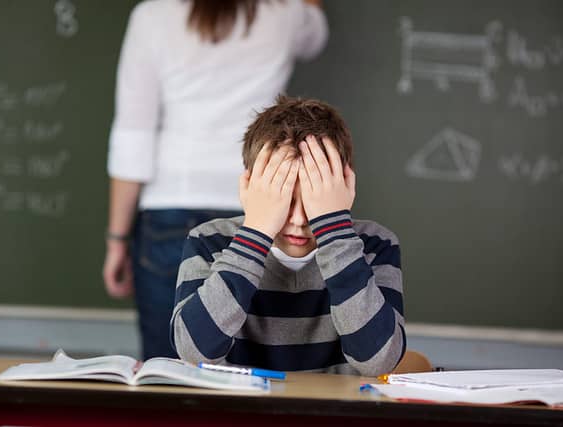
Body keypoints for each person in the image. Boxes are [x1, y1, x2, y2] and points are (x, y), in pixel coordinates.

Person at [103, 0, 328, 360]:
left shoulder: (153, 15)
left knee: (166, 369)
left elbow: (134, 133)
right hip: (259, 207)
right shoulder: (285, 13)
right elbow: (315, 35)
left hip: (170, 206)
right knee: (248, 363)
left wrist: (117, 239)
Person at [171, 96, 405, 376]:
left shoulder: (374, 244)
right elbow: (193, 352)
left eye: (312, 200)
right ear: (252, 188)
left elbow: (379, 361)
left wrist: (334, 230)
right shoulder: (210, 241)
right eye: (282, 199)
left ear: (343, 187)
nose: (297, 221)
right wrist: (256, 231)